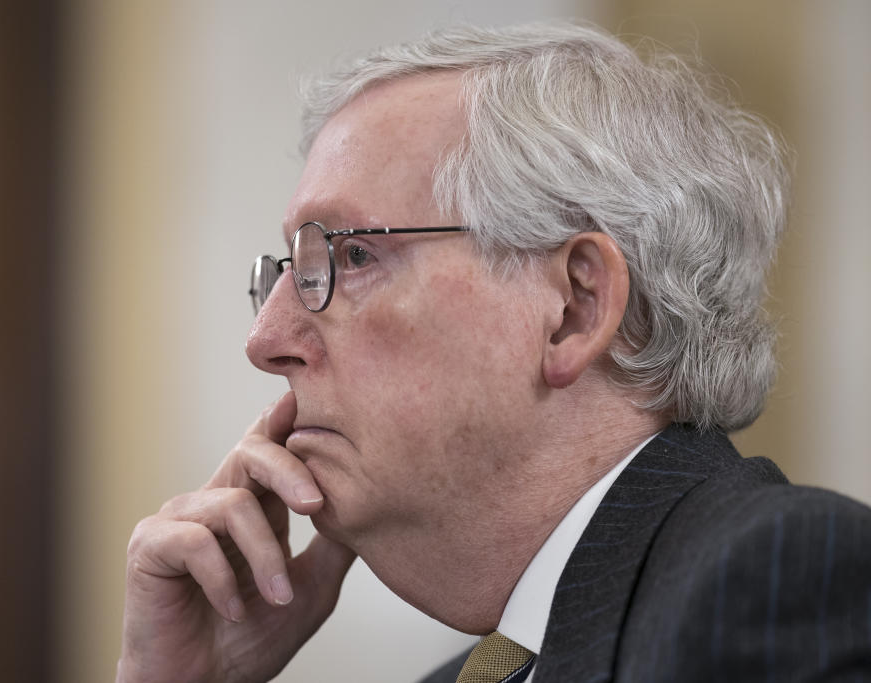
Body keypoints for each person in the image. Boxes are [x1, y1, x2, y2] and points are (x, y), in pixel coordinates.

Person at [116, 22, 871, 683]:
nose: (265, 341)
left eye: (348, 258)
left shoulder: (783, 580)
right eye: (289, 270)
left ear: (574, 308)